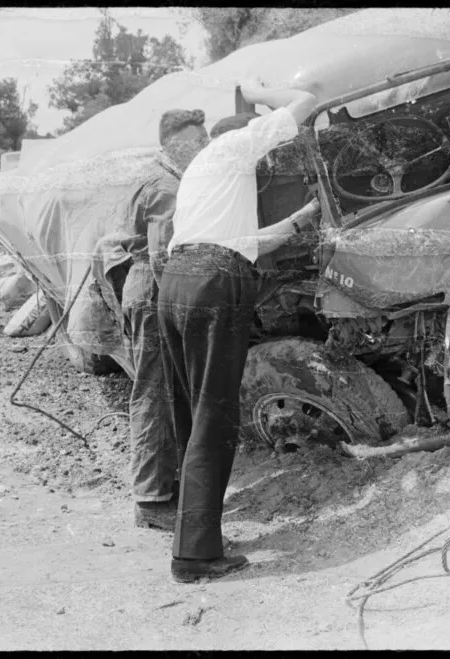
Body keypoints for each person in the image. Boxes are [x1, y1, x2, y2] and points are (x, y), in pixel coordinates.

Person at [157, 77, 320, 583]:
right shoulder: (232, 145)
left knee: (191, 414)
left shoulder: (204, 175)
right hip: (213, 286)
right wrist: (264, 89)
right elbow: (306, 103)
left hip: (178, 283)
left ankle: (194, 531)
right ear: (246, 137)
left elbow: (245, 239)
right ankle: (197, 557)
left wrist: (303, 217)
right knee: (214, 416)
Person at [122, 109, 210, 532]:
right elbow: (160, 256)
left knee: (166, 390)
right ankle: (150, 500)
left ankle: (163, 487)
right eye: (198, 139)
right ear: (175, 143)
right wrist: (179, 305)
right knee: (154, 393)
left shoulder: (165, 177)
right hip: (155, 290)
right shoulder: (165, 186)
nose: (205, 145)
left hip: (153, 289)